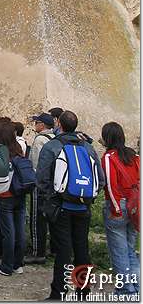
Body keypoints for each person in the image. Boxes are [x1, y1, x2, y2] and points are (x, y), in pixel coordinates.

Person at [36, 110, 104, 300]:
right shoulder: (88, 148)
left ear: (59, 125)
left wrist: (51, 199)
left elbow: (41, 179)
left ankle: (59, 293)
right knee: (83, 249)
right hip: (84, 207)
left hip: (61, 206)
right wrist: (87, 198)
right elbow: (100, 179)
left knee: (63, 252)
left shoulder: (52, 147)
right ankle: (84, 291)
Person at [101, 122, 140, 296]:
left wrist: (115, 208)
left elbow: (110, 185)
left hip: (118, 206)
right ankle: (136, 287)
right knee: (131, 249)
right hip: (135, 206)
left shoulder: (109, 157)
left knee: (118, 251)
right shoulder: (134, 156)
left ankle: (125, 289)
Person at [0, 118, 26, 276]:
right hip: (20, 191)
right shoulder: (17, 147)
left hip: (5, 193)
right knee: (19, 229)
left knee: (8, 230)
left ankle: (6, 265)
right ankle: (18, 264)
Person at [25, 112, 55, 265]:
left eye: (36, 122)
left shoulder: (39, 140)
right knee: (50, 217)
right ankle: (52, 249)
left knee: (37, 219)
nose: (34, 125)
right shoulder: (55, 138)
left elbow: (36, 165)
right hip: (53, 184)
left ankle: (38, 252)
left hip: (40, 183)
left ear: (42, 125)